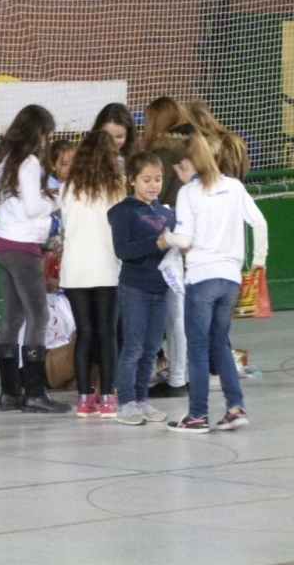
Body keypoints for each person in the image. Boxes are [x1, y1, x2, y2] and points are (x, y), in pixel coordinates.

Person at [161, 133, 268, 433]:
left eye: (178, 171)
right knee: (219, 344)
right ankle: (235, 408)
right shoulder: (233, 186)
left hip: (201, 278)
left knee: (197, 348)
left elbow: (185, 239)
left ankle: (197, 414)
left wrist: (166, 238)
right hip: (230, 280)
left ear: (185, 165)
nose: (179, 177)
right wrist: (259, 259)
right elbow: (259, 222)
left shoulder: (188, 193)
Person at [0, 104, 70, 414]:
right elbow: (34, 207)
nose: (46, 142)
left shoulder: (4, 159)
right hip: (22, 247)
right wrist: (59, 197)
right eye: (46, 135)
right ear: (37, 133)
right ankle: (34, 392)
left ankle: (9, 393)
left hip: (2, 242)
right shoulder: (29, 162)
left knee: (13, 318)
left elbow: (1, 202)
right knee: (39, 316)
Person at [59, 130, 125, 418]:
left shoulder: (67, 188)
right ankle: (108, 397)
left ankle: (84, 398)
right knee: (107, 335)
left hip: (75, 271)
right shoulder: (117, 188)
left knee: (85, 335)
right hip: (107, 269)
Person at [107, 151, 174, 425]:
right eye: (146, 179)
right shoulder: (122, 212)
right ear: (132, 180)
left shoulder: (165, 213)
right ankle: (125, 403)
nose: (153, 185)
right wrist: (155, 244)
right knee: (133, 347)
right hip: (135, 288)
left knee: (151, 348)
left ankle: (142, 400)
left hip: (162, 289)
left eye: (158, 179)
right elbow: (123, 250)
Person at [143, 96, 194, 398]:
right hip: (193, 237)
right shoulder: (194, 148)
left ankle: (177, 378)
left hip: (170, 237)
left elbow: (155, 197)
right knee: (183, 312)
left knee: (175, 313)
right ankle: (185, 373)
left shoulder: (161, 153)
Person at [91, 103, 140, 167]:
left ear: (129, 135)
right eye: (108, 136)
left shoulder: (137, 159)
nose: (113, 142)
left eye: (119, 136)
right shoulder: (88, 158)